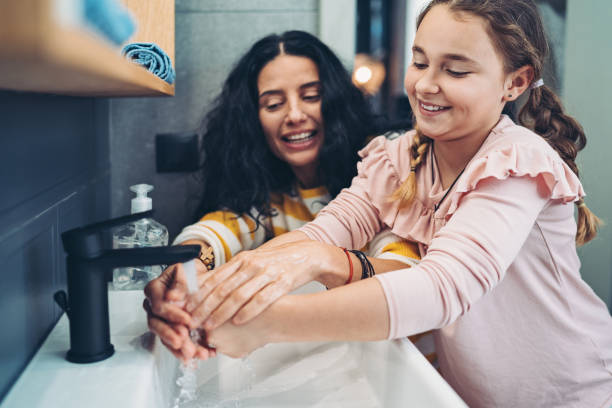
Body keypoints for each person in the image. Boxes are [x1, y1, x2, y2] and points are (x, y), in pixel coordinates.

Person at [176, 1, 612, 407]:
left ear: (514, 82)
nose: (424, 83)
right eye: (419, 61)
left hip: (571, 394)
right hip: (472, 395)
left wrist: (268, 322)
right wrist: (205, 295)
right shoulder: (401, 156)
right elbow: (326, 230)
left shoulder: (516, 161)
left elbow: (442, 287)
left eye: (456, 71)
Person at [144, 30, 422, 361]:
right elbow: (217, 231)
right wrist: (187, 269)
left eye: (311, 96)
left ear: (335, 101)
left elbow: (411, 274)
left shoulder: (384, 169)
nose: (293, 115)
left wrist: (321, 262)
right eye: (273, 104)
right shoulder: (265, 199)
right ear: (253, 120)